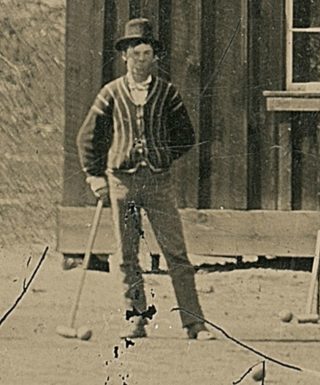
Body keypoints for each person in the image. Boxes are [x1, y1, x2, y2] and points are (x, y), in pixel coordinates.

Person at [76, 18, 214, 340]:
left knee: (176, 253)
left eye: (146, 53)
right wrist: (94, 177)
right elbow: (87, 138)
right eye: (135, 53)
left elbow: (186, 136)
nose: (141, 59)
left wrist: (161, 156)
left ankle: (194, 323)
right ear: (124, 55)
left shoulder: (167, 93)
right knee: (126, 255)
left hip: (158, 182)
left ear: (155, 57)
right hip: (121, 182)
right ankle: (136, 320)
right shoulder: (110, 93)